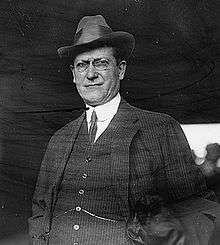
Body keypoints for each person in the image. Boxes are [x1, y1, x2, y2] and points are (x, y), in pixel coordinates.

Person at [28, 15, 220, 245]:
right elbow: (40, 210)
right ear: (73, 74)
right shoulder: (59, 139)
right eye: (82, 65)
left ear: (120, 70)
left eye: (100, 62)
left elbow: (199, 210)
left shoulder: (160, 128)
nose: (90, 74)